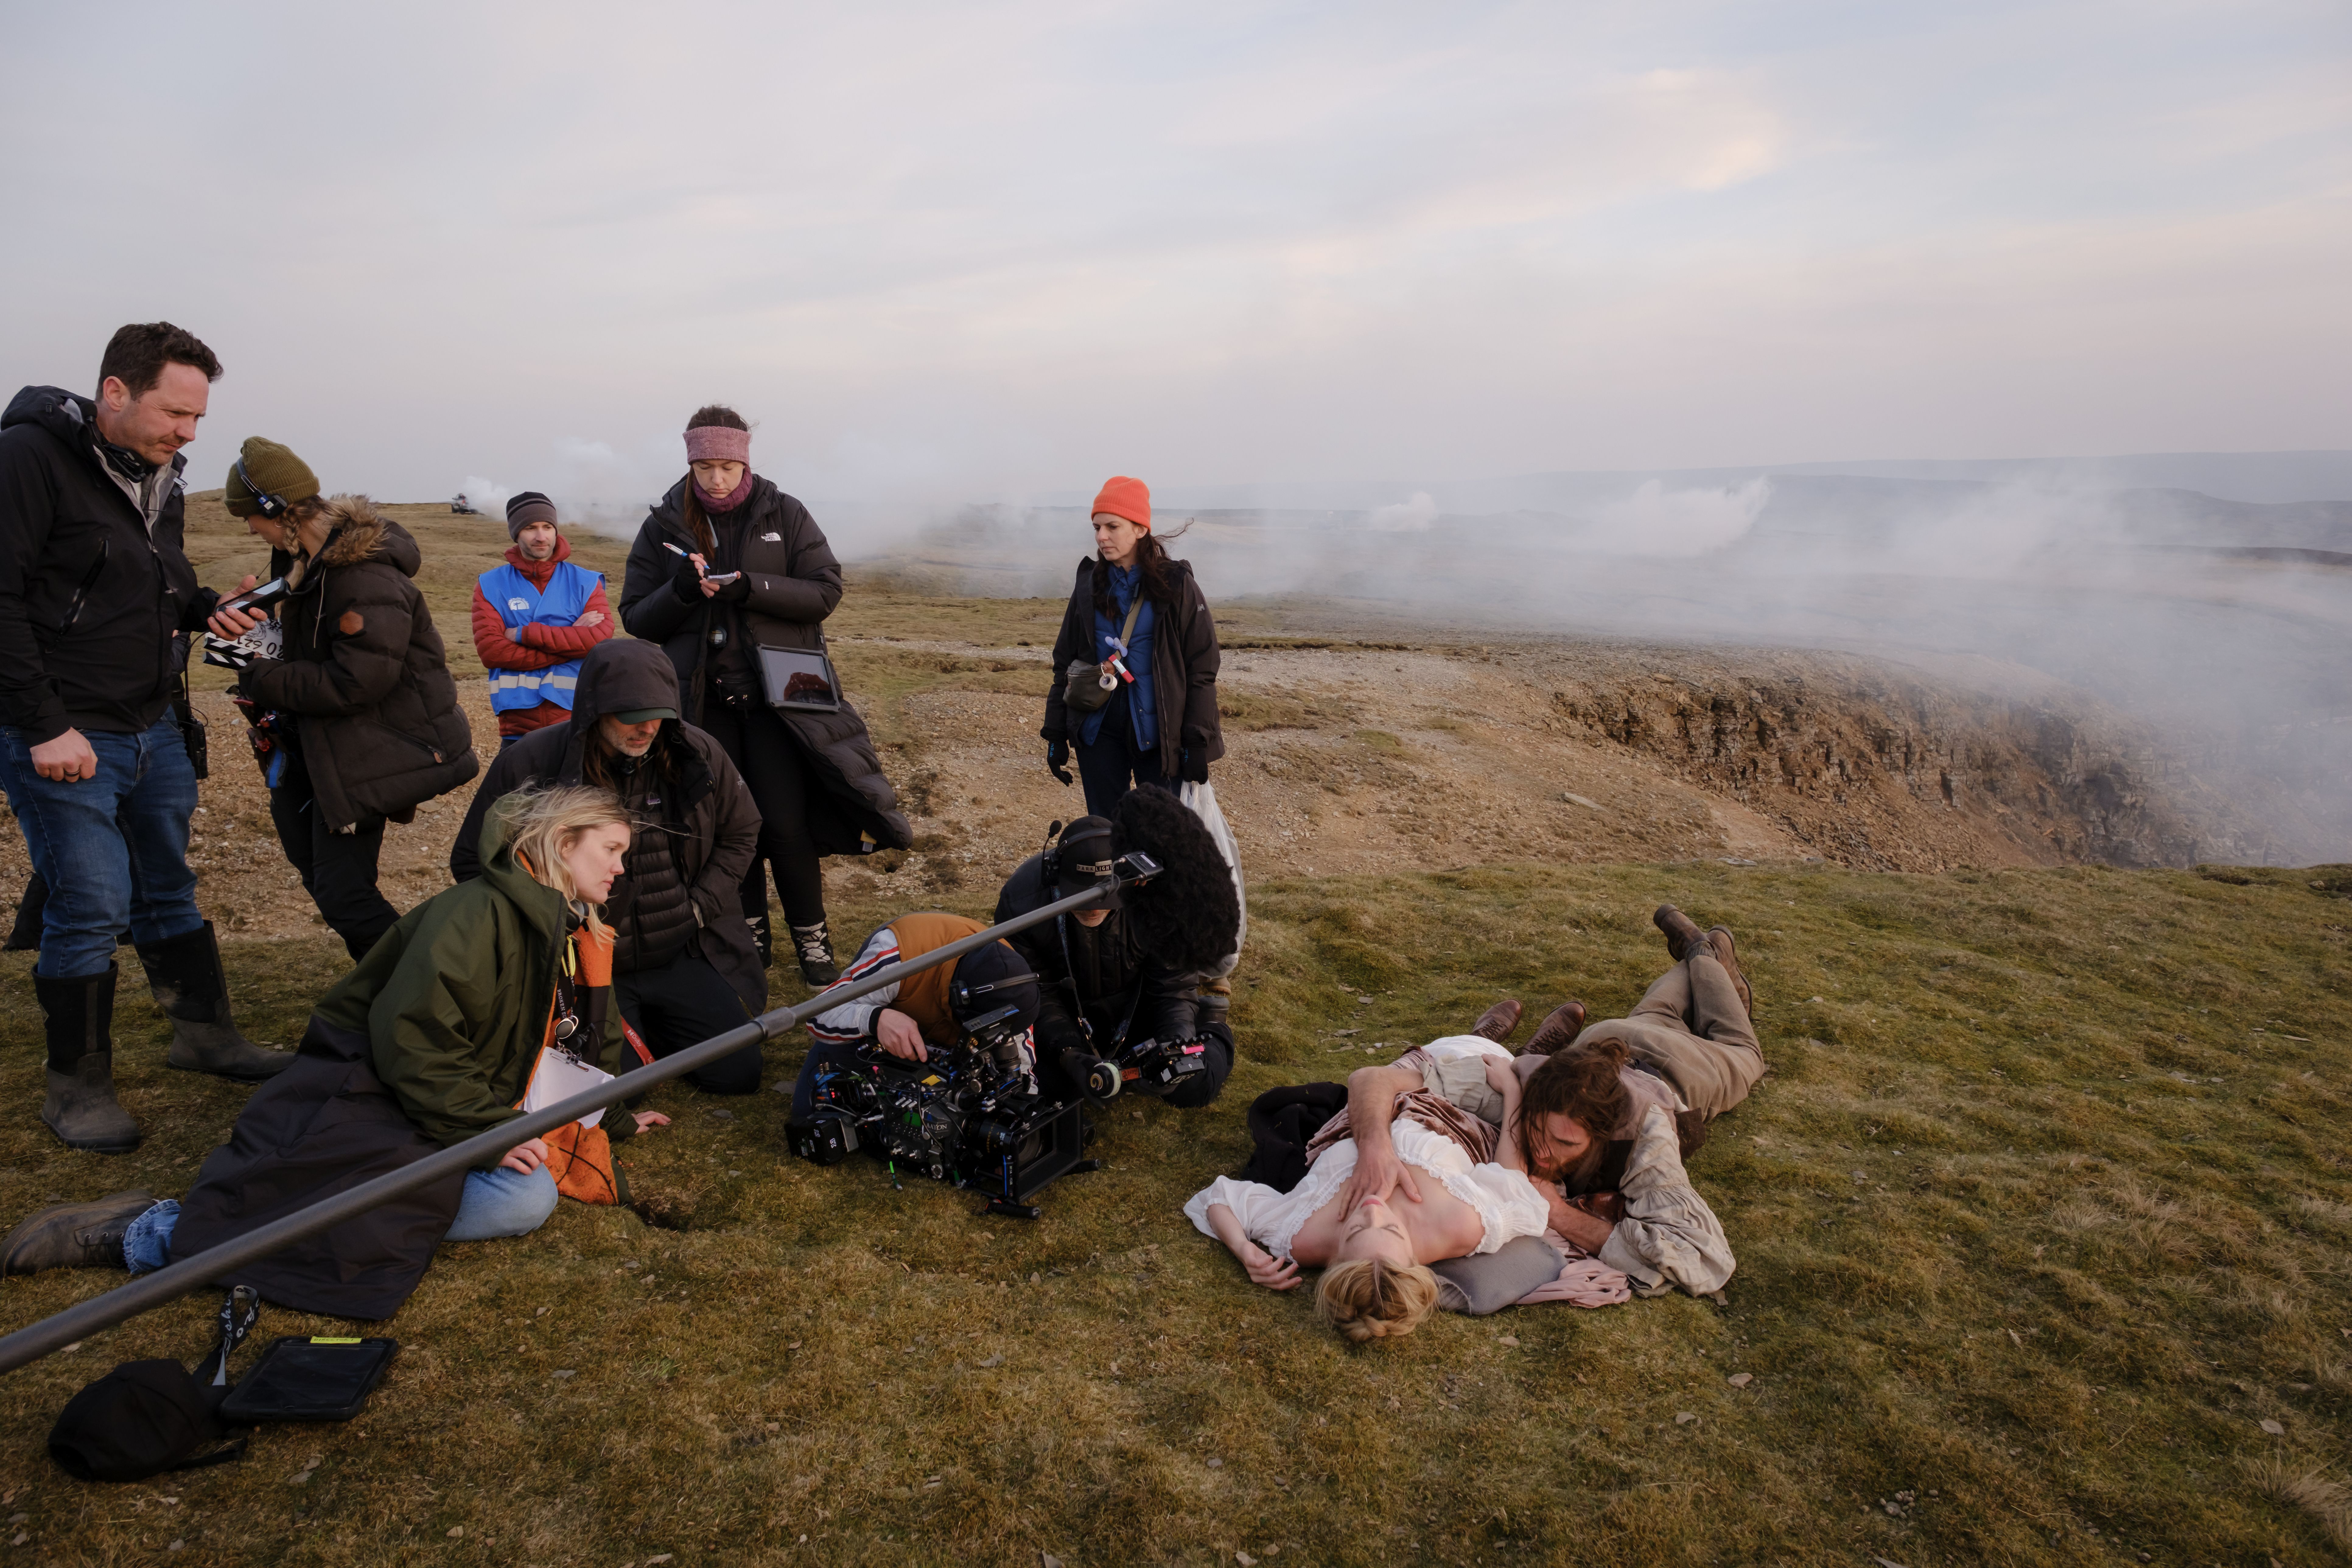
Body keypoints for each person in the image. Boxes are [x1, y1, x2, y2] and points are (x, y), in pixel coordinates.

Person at [0, 786, 672, 1318]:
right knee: (512, 1200)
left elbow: (574, 1047)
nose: (620, 867)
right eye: (611, 849)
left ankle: (379, 1206)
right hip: (375, 1093)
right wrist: (487, 1132)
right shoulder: (477, 914)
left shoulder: (574, 929)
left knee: (523, 1196)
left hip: (456, 1102)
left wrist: (610, 1116)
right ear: (561, 842)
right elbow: (412, 1036)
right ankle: (149, 1234)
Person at [0, 323, 288, 1154]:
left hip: (154, 721)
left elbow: (154, 578)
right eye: (175, 413)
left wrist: (202, 608)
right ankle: (76, 1091)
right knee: (89, 901)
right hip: (64, 729)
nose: (188, 434)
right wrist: (44, 724)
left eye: (198, 418)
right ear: (115, 393)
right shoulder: (29, 459)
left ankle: (205, 1036)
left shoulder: (158, 474)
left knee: (168, 886)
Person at [618, 404, 909, 986]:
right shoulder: (663, 527)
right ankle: (749, 940)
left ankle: (813, 942)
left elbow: (825, 591)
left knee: (785, 824)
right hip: (702, 708)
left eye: (726, 465)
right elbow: (635, 617)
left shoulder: (785, 511)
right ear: (690, 462)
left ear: (744, 459)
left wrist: (754, 587)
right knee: (733, 825)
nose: (716, 479)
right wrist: (681, 591)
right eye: (704, 467)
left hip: (783, 704)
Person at [1338, 904, 1760, 1252]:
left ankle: (1705, 954)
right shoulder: (1529, 1078)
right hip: (1608, 1042)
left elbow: (1702, 1255)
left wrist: (1557, 1213)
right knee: (1659, 1014)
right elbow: (1373, 1079)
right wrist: (1376, 1148)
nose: (1541, 1147)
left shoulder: (1646, 1141)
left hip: (1686, 1070)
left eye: (1566, 1144)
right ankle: (1706, 957)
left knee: (1742, 1049)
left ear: (1601, 1134)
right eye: (1540, 1128)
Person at [450, 638, 766, 1094]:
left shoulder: (696, 753)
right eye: (631, 719)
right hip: (587, 964)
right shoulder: (535, 762)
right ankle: (633, 1042)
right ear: (595, 710)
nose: (646, 730)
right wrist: (550, 924)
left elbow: (743, 831)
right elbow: (474, 861)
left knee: (737, 1075)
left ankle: (654, 1030)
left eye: (657, 716)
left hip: (679, 948)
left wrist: (699, 908)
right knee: (622, 1092)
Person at [205, 442, 476, 962]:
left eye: (248, 517)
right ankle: (397, 991)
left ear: (278, 511)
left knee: (344, 894)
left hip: (369, 755)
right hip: (321, 752)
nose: (248, 530)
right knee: (324, 879)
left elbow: (356, 683)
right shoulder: (308, 571)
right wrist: (251, 633)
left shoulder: (363, 576)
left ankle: (426, 990)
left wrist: (259, 674)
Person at [1185, 1050, 1548, 1342]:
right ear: (1417, 1258)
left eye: (1356, 1229)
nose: (1374, 1209)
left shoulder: (1300, 1236)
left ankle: (1490, 1036)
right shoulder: (1463, 1227)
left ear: (1334, 1256)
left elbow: (1220, 1199)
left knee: (1474, 1053)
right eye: (1392, 1229)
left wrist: (1245, 1250)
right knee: (1528, 1069)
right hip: (1461, 1108)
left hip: (1386, 1095)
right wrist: (1515, 1091)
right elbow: (1513, 1180)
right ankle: (1506, 1044)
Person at [993, 792, 1241, 1110]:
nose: (1095, 911)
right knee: (1051, 1095)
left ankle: (1213, 1028)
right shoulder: (1023, 902)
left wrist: (1173, 1041)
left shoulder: (1156, 894)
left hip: (1138, 1012)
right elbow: (1037, 993)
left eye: (1105, 901)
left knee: (1191, 1086)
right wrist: (1070, 1055)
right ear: (1056, 877)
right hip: (1065, 1020)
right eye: (1082, 900)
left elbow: (1173, 986)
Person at [1040, 476, 1224, 820]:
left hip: (1159, 737)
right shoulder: (1088, 586)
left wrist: (1197, 740)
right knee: (1107, 832)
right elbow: (1064, 662)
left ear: (1140, 529)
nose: (1101, 536)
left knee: (1162, 838)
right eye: (1097, 527)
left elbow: (1202, 667)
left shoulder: (1177, 586)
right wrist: (1056, 732)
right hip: (1098, 734)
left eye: (1112, 526)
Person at [789, 916, 1041, 1121]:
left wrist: (1018, 1115)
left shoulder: (1013, 985)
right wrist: (876, 1019)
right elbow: (817, 1014)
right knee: (810, 1110)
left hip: (942, 1023)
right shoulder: (898, 955)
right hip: (884, 1011)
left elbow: (1019, 1058)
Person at [470, 490, 614, 751]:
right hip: (518, 731)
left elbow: (599, 639)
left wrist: (525, 635)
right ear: (516, 534)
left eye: (548, 527)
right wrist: (571, 641)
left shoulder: (586, 581)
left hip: (577, 722)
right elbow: (492, 652)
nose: (541, 536)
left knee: (579, 794)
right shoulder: (490, 585)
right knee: (516, 794)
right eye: (530, 528)